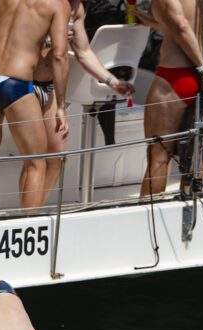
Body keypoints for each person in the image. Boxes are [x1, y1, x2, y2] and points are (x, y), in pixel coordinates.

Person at [0, 0, 70, 213]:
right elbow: (59, 56)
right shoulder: (57, 4)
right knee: (36, 164)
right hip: (16, 83)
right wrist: (60, 106)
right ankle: (27, 226)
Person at [30, 0, 133, 205]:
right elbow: (20, 39)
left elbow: (84, 51)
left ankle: (33, 212)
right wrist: (52, 39)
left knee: (58, 156)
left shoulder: (76, 8)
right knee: (35, 160)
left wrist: (112, 81)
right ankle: (27, 218)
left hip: (50, 88)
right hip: (26, 85)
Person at [137, 0, 203, 197]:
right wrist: (159, 23)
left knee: (159, 155)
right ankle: (190, 213)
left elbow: (182, 26)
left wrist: (201, 69)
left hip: (179, 72)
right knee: (195, 153)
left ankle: (146, 219)